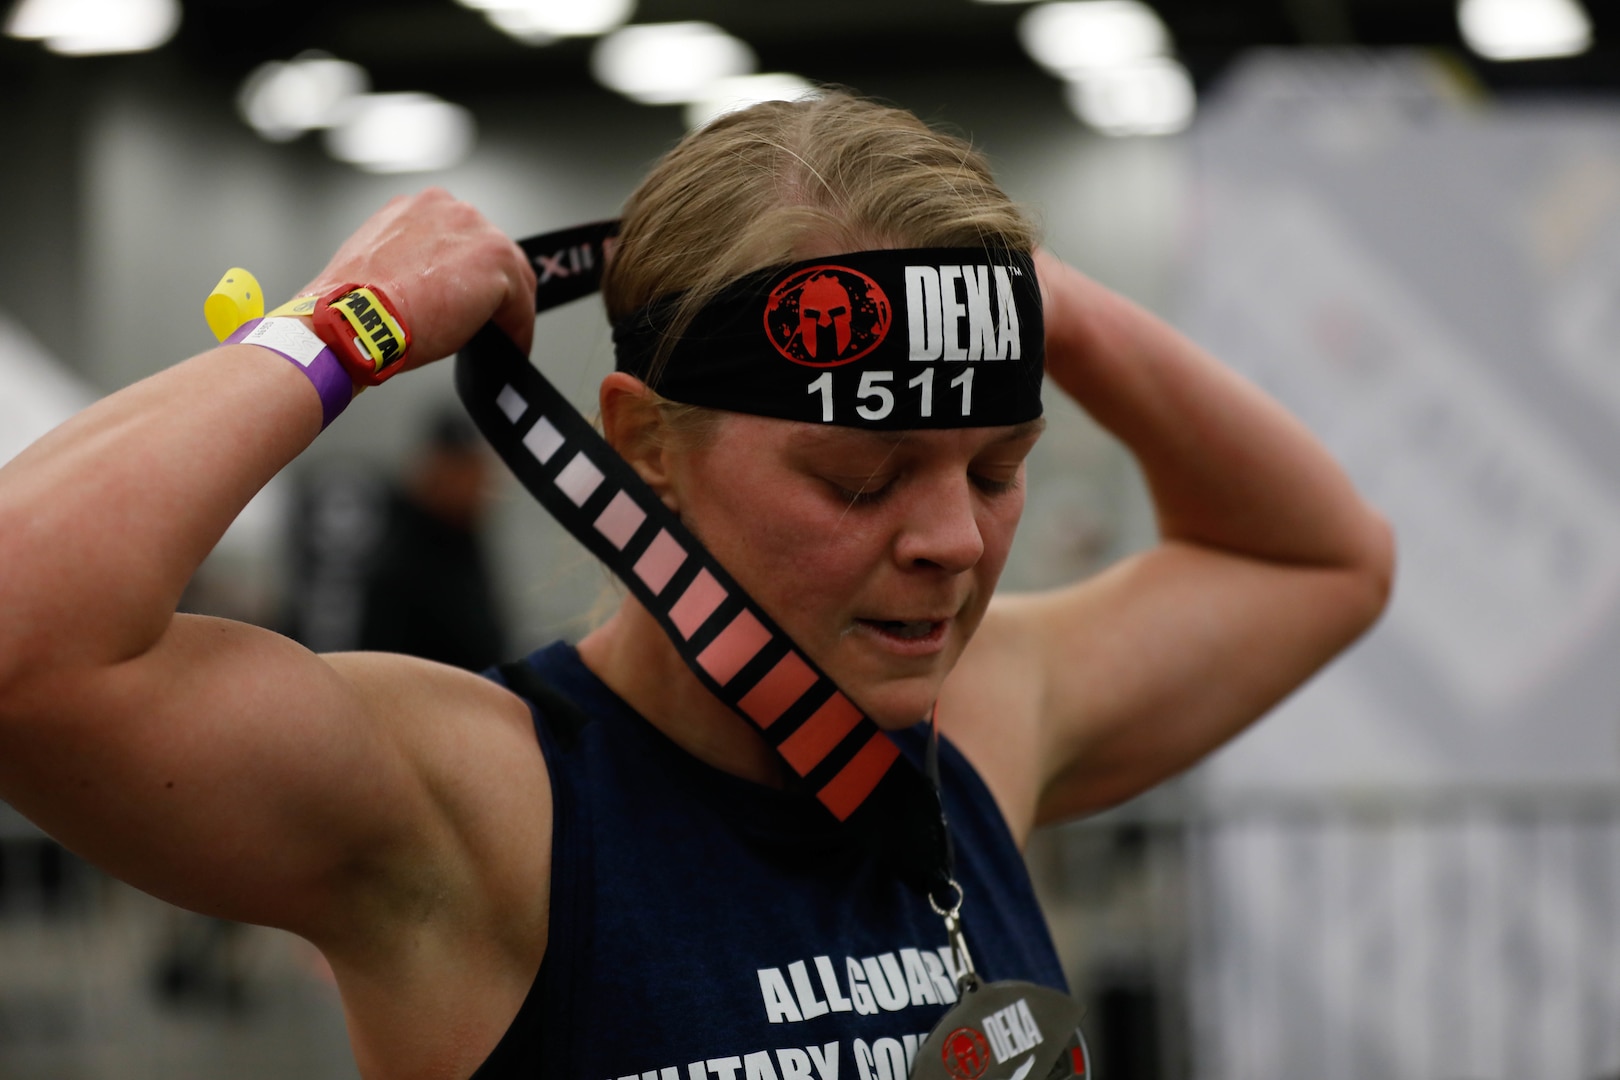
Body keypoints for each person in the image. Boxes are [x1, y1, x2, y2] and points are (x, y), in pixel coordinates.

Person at [0, 92, 1392, 1078]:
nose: (956, 543)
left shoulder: (975, 726)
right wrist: (348, 329)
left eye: (995, 467)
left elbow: (1323, 561)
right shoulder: (486, 807)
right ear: (645, 442)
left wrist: (1042, 300)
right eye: (861, 480)